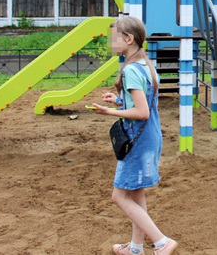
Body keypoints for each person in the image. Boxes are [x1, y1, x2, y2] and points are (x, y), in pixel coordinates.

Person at [90, 17, 178, 255]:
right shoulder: (145, 64)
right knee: (136, 193)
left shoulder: (130, 70)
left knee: (119, 196)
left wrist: (109, 112)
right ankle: (136, 248)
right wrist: (119, 100)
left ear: (128, 39)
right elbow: (143, 102)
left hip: (137, 142)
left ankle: (162, 242)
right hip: (149, 138)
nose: (110, 43)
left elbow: (141, 112)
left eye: (113, 38)